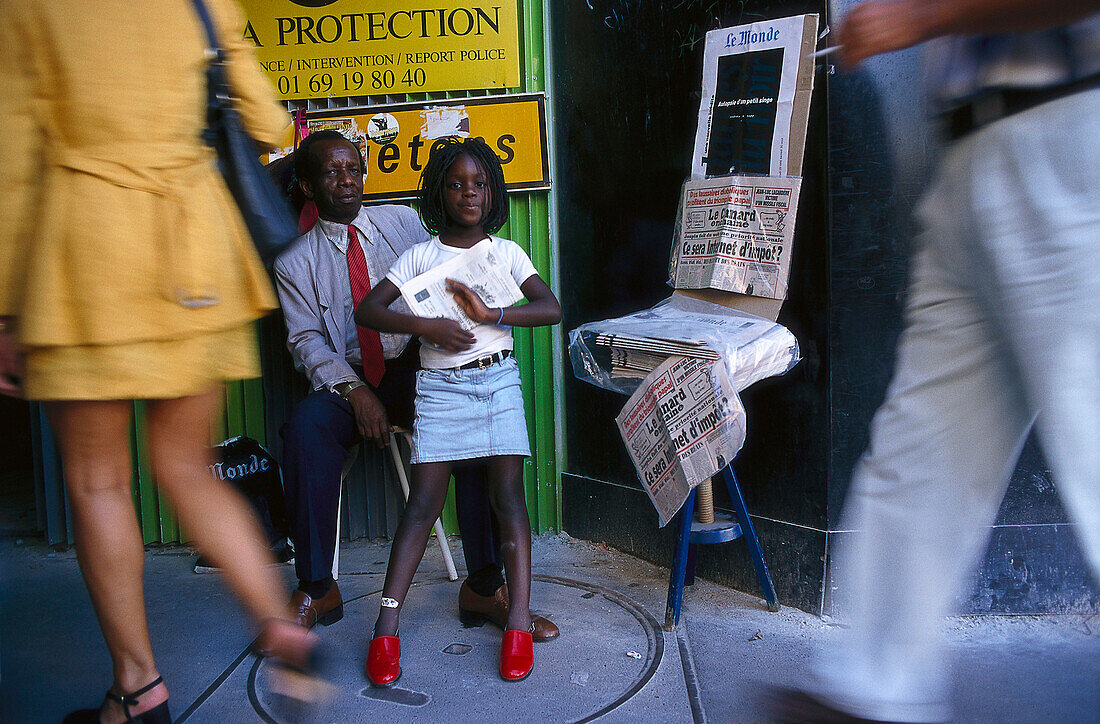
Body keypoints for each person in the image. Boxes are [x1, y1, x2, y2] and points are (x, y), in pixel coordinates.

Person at [770, 1, 1100, 722]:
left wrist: (920, 17)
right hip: (972, 152)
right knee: (923, 450)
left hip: (1072, 128)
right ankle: (872, 690)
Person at [0, 2, 324, 722]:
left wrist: (5, 307)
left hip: (86, 250)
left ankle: (139, 686)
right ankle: (278, 624)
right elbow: (268, 122)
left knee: (98, 482)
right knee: (184, 464)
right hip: (195, 253)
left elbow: (12, 155)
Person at [272, 131, 558, 642]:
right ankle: (317, 587)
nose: (347, 181)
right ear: (307, 185)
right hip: (349, 381)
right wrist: (355, 391)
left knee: (472, 429)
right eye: (331, 172)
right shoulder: (294, 262)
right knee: (304, 429)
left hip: (415, 368)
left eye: (354, 169)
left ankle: (486, 586)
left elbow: (450, 266)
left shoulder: (403, 223)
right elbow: (307, 343)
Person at [356, 137, 562, 685]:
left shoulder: (506, 252)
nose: (469, 194)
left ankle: (516, 620)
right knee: (422, 505)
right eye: (456, 184)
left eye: (479, 184)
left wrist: (494, 311)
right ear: (439, 192)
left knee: (508, 500)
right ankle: (385, 629)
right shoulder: (420, 256)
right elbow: (369, 309)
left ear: (491, 191)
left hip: (497, 383)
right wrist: (426, 326)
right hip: (440, 390)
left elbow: (551, 308)